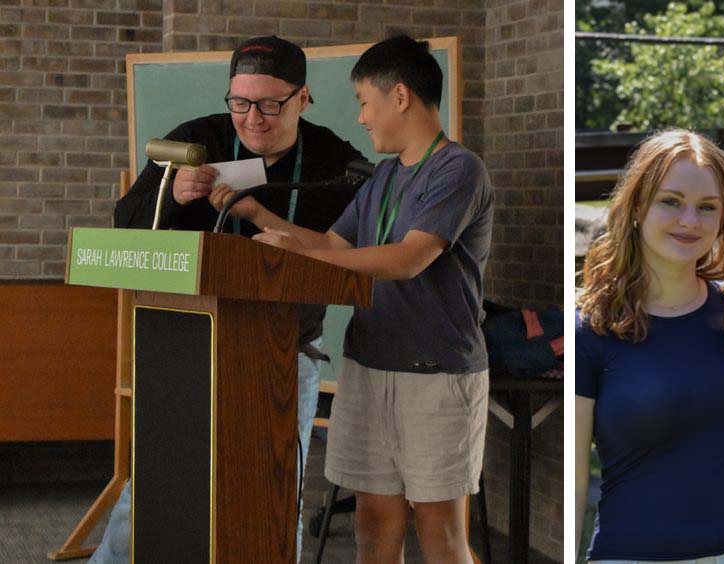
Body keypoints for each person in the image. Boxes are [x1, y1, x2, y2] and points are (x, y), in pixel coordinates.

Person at [214, 35, 493, 563]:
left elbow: (408, 259)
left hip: (436, 373)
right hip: (368, 365)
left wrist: (304, 260)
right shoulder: (382, 176)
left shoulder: (459, 169)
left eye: (365, 102)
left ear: (401, 97)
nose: (362, 118)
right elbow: (329, 245)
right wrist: (258, 217)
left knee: (438, 528)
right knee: (373, 520)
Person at [96, 35, 364, 564]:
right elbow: (125, 224)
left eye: (269, 104)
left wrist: (267, 221)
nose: (253, 118)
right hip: (187, 345)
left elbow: (356, 251)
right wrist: (172, 196)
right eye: (240, 103)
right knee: (158, 485)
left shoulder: (335, 162)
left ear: (303, 99)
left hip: (286, 349)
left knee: (275, 491)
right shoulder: (196, 141)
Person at [575, 129, 724, 563]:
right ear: (637, 207)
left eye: (707, 207)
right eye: (671, 201)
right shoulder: (592, 330)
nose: (690, 220)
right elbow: (576, 483)